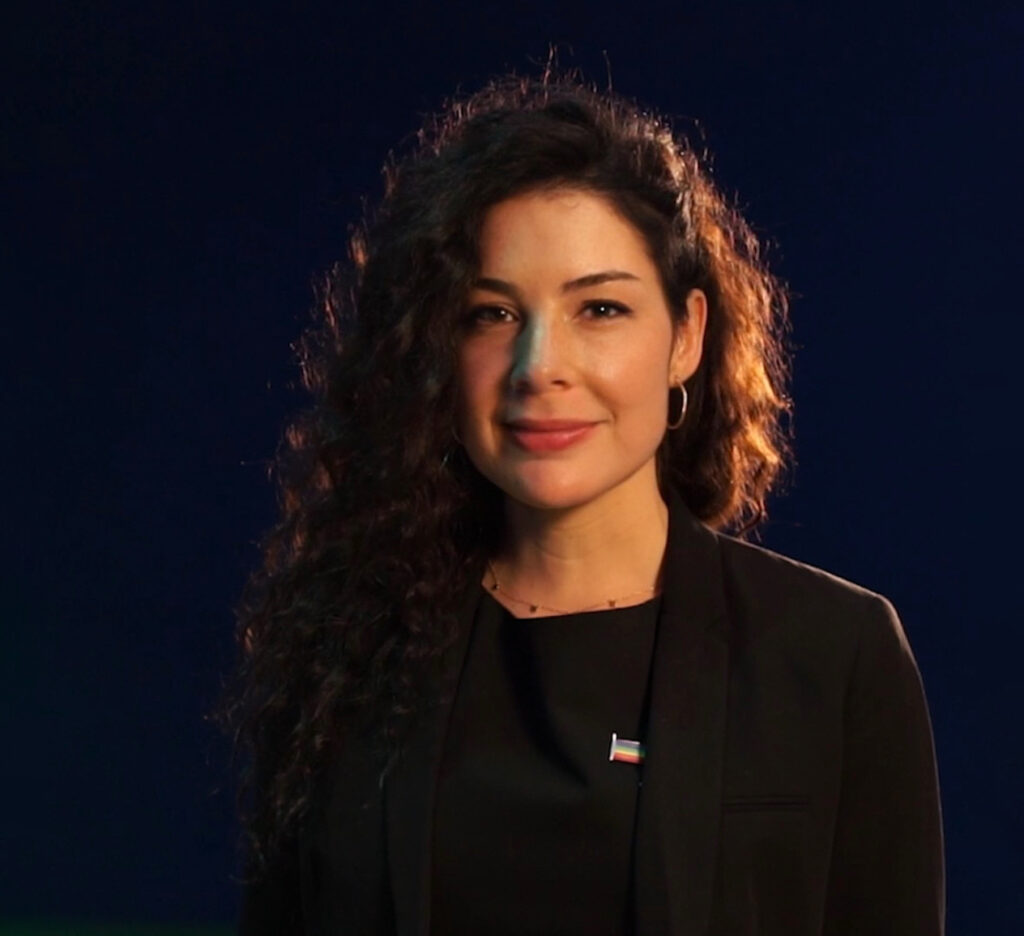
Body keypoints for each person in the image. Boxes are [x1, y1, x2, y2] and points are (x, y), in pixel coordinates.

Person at [220, 69, 944, 935]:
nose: (539, 367)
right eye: (490, 314)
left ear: (686, 336)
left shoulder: (834, 653)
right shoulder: (349, 648)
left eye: (599, 308)